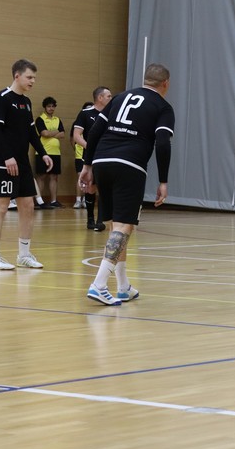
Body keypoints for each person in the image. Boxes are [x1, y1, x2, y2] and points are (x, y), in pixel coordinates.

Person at [79, 65, 174, 305]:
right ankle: (99, 284)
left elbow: (96, 130)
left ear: (145, 80)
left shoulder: (120, 97)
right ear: (165, 84)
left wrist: (87, 165)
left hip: (102, 161)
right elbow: (163, 143)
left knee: (116, 225)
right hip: (129, 165)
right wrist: (163, 180)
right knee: (124, 226)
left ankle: (123, 286)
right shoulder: (162, 107)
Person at [0, 59, 52, 270]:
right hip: (3, 162)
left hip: (22, 162)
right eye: (29, 77)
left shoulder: (27, 102)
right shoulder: (2, 98)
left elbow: (31, 132)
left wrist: (43, 153)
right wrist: (7, 156)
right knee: (1, 206)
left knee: (28, 206)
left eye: (34, 78)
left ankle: (24, 255)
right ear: (17, 76)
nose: (32, 81)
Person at [73, 90, 113, 230]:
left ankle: (100, 220)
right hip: (90, 157)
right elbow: (77, 135)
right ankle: (90, 219)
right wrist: (90, 147)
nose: (111, 98)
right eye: (108, 96)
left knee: (104, 187)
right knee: (90, 187)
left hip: (106, 156)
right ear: (100, 97)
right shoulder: (85, 113)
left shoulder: (112, 114)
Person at [34, 96, 65, 207]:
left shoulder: (57, 119)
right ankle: (39, 201)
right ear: (45, 107)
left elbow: (63, 134)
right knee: (41, 176)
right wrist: (56, 132)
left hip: (56, 152)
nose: (51, 108)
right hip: (43, 152)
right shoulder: (40, 119)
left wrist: (50, 133)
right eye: (49, 106)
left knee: (54, 177)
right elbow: (44, 133)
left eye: (53, 106)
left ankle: (53, 201)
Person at [71, 101, 93, 209]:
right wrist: (77, 149)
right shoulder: (78, 122)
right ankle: (78, 200)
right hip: (80, 155)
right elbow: (72, 139)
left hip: (91, 154)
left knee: (90, 178)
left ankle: (85, 199)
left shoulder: (95, 121)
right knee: (80, 176)